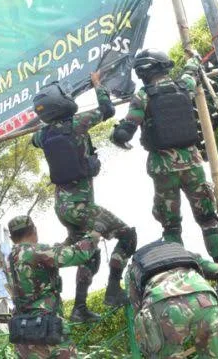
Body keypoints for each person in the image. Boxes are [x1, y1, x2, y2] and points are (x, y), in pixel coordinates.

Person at [32, 72, 137, 322]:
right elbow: (107, 109)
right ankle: (113, 289)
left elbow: (34, 140)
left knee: (89, 251)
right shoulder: (78, 123)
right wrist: (98, 84)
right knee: (127, 236)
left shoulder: (43, 135)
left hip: (62, 209)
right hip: (81, 207)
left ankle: (79, 307)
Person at [111, 50, 218, 263]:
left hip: (162, 168)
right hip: (192, 163)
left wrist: (118, 137)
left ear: (143, 72)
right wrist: (194, 57)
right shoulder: (183, 86)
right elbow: (191, 70)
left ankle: (179, 266)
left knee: (171, 225)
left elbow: (125, 131)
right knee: (208, 219)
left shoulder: (143, 96)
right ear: (163, 66)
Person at [7, 215, 101, 359]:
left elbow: (56, 252)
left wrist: (69, 240)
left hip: (23, 331)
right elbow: (79, 254)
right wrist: (95, 233)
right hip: (47, 328)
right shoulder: (37, 251)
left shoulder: (10, 259)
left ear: (11, 237)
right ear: (34, 230)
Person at [127, 239, 218, 358]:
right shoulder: (184, 253)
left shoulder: (134, 268)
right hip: (204, 300)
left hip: (162, 304)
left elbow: (138, 312)